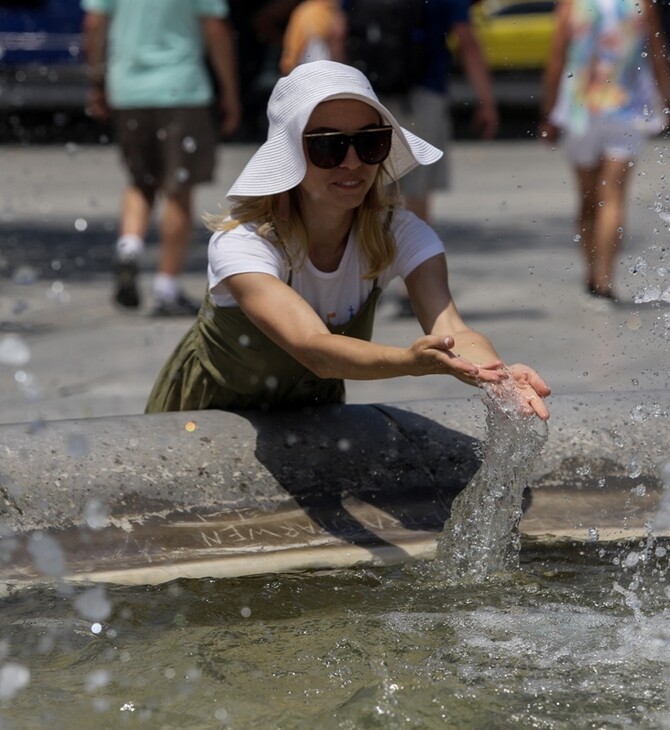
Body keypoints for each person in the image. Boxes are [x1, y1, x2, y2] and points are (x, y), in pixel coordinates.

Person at [145, 61, 550, 420]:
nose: (352, 162)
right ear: (289, 155)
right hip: (203, 416)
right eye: (328, 146)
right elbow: (314, 348)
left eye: (370, 141)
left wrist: (496, 374)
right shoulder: (244, 241)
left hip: (313, 417)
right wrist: (409, 362)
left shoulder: (400, 231)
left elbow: (454, 330)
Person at [82, 0, 241, 316]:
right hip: (181, 89)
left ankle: (129, 248)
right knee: (179, 190)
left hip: (127, 89)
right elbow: (215, 28)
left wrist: (98, 80)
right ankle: (167, 287)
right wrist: (230, 91)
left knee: (140, 182)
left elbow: (93, 24)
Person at [539, 0, 670, 301]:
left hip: (580, 111)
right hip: (626, 107)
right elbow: (658, 57)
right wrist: (665, 99)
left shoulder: (572, 5)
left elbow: (557, 58)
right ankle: (605, 278)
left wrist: (547, 113)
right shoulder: (642, 4)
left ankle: (591, 271)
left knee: (588, 197)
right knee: (612, 195)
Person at [341, 0, 499, 225]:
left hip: (370, 98)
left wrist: (342, 93)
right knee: (415, 197)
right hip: (424, 96)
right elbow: (466, 40)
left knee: (373, 192)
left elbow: (338, 32)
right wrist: (486, 102)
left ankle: (373, 256)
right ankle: (415, 257)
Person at [279, 0, 347, 75]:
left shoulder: (304, 10)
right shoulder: (322, 14)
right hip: (317, 71)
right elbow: (336, 44)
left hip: (297, 69)